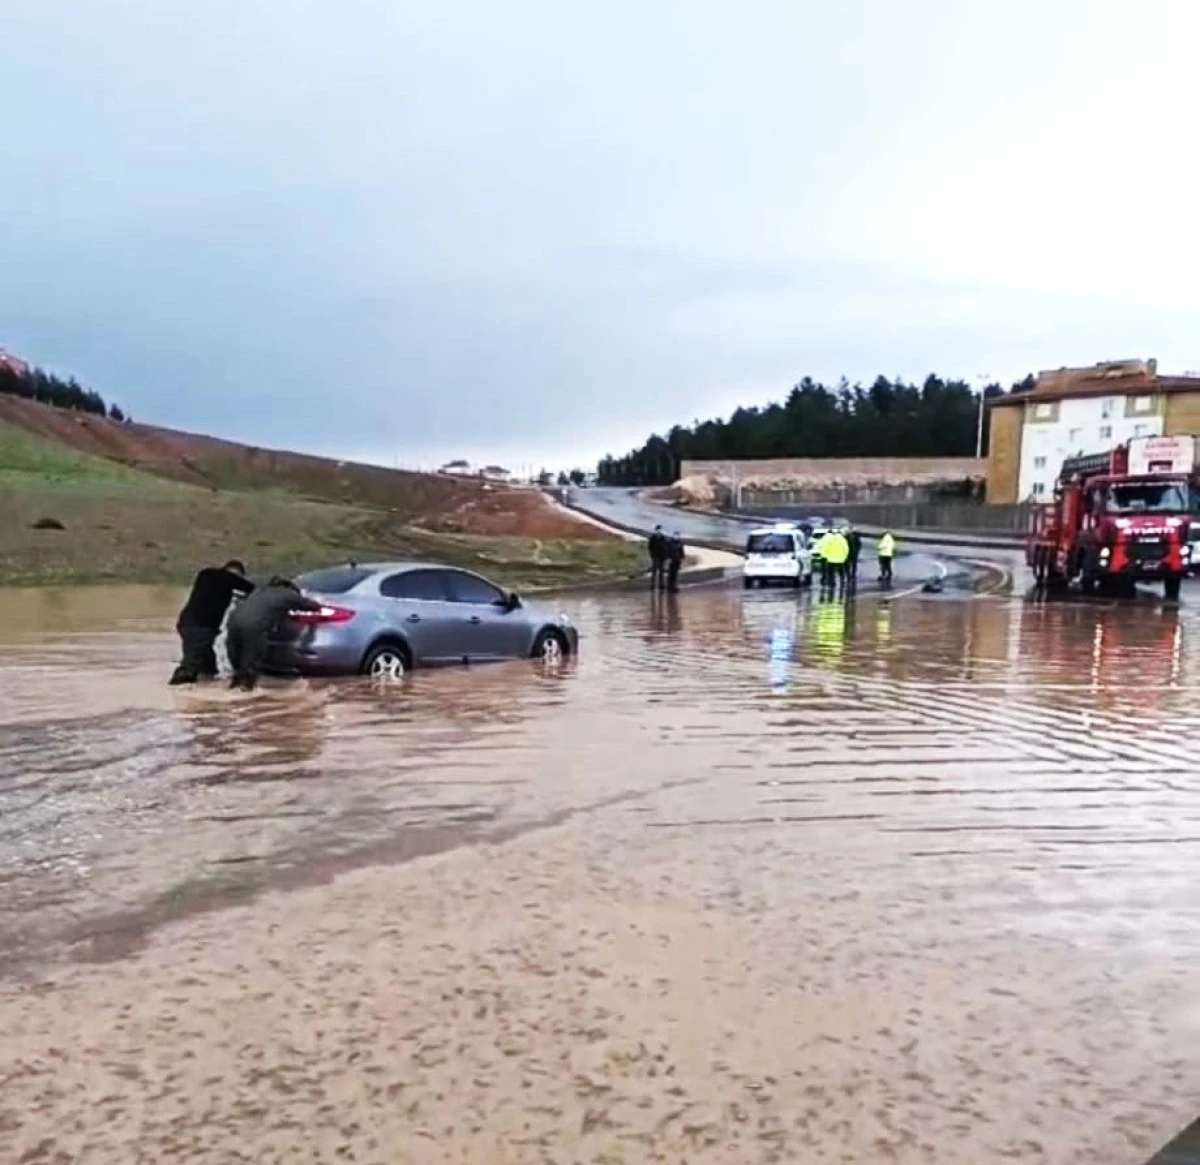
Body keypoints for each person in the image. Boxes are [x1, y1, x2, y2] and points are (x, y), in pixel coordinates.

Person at [225, 576, 321, 691]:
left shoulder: (260, 591)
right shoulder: (288, 594)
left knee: (238, 662)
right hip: (254, 626)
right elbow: (311, 606)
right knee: (251, 664)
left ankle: (233, 687)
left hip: (233, 621)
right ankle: (246, 694)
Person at [169, 560, 254, 685]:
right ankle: (178, 691)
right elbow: (248, 587)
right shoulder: (209, 574)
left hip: (191, 625)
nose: (235, 579)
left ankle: (205, 690)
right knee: (190, 667)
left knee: (208, 666)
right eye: (236, 576)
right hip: (199, 627)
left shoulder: (221, 585)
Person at [822, 527, 850, 592]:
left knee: (831, 572)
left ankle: (832, 582)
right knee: (841, 571)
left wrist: (825, 556)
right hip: (840, 559)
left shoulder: (829, 539)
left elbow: (825, 548)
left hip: (830, 558)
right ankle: (842, 581)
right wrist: (845, 557)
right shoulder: (842, 539)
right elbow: (846, 549)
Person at [648, 525, 667, 591]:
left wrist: (665, 555)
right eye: (658, 529)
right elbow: (650, 547)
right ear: (656, 530)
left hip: (662, 556)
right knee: (654, 572)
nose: (659, 531)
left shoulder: (663, 537)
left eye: (660, 529)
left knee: (661, 572)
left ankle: (661, 585)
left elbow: (666, 547)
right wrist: (652, 555)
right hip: (655, 556)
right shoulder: (652, 538)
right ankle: (652, 585)